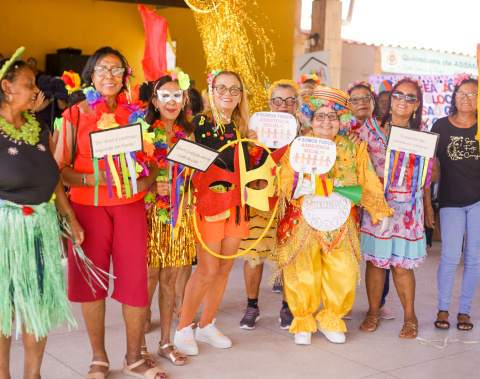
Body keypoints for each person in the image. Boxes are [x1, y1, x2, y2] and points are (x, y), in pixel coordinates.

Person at [56, 46, 164, 379]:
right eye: (103, 69)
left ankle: (134, 357)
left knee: (135, 281)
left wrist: (148, 179)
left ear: (125, 77)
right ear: (90, 75)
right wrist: (92, 178)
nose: (110, 76)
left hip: (130, 206)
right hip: (88, 207)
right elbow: (59, 171)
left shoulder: (137, 115)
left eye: (117, 70)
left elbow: (150, 162)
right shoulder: (73, 116)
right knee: (91, 281)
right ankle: (98, 358)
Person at [273, 86, 393, 345]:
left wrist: (379, 210)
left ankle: (331, 318)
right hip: (301, 221)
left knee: (343, 272)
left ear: (342, 121)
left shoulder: (354, 148)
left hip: (341, 222)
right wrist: (296, 184)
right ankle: (303, 320)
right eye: (320, 116)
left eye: (332, 116)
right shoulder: (297, 145)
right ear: (310, 119)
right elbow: (281, 178)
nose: (326, 122)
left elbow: (368, 179)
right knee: (302, 271)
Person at [0, 48, 83, 379]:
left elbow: (54, 180)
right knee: (3, 306)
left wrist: (70, 217)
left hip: (41, 228)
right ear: (6, 87)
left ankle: (32, 376)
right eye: (29, 83)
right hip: (6, 229)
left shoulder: (38, 127)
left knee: (39, 304)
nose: (37, 90)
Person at [174, 70, 257, 355]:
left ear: (241, 95)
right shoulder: (198, 123)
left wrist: (257, 150)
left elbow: (251, 171)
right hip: (209, 205)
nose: (228, 94)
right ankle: (184, 328)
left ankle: (207, 325)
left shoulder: (243, 128)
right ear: (212, 91)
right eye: (222, 88)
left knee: (223, 268)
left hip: (237, 206)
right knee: (207, 269)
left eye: (235, 90)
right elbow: (184, 165)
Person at [358, 77, 437, 339]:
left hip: (407, 211)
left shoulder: (422, 136)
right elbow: (354, 161)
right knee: (376, 264)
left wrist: (427, 205)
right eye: (398, 95)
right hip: (376, 207)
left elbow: (430, 177)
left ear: (417, 105)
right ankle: (372, 311)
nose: (403, 100)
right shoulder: (369, 128)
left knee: (401, 267)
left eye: (410, 97)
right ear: (390, 99)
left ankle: (410, 317)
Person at [238, 79, 299, 331]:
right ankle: (252, 305)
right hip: (260, 198)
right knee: (254, 255)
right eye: (277, 100)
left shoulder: (306, 133)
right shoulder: (254, 129)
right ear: (269, 103)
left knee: (290, 255)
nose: (283, 105)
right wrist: (249, 143)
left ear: (297, 104)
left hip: (292, 202)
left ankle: (287, 307)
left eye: (289, 100)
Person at [143, 71, 194, 367]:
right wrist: (153, 185)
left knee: (171, 280)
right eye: (166, 96)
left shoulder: (188, 134)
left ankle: (165, 342)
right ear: (155, 100)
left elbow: (191, 175)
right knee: (148, 278)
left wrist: (183, 195)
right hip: (149, 214)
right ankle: (138, 345)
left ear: (184, 99)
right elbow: (132, 175)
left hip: (178, 216)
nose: (172, 101)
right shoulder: (144, 132)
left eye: (177, 95)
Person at [427, 73, 479, 331]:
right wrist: (425, 202)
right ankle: (443, 309)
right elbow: (429, 168)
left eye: (473, 94)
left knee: (474, 258)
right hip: (450, 201)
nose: (467, 99)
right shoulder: (440, 126)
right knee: (449, 256)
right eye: (462, 94)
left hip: (478, 202)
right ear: (454, 97)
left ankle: (464, 311)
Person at [346, 81, 395, 321]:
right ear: (348, 103)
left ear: (374, 102)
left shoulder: (382, 127)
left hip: (379, 199)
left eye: (366, 98)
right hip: (350, 200)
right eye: (355, 99)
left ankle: (379, 302)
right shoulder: (340, 127)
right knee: (347, 253)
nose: (361, 103)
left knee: (379, 254)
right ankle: (343, 303)